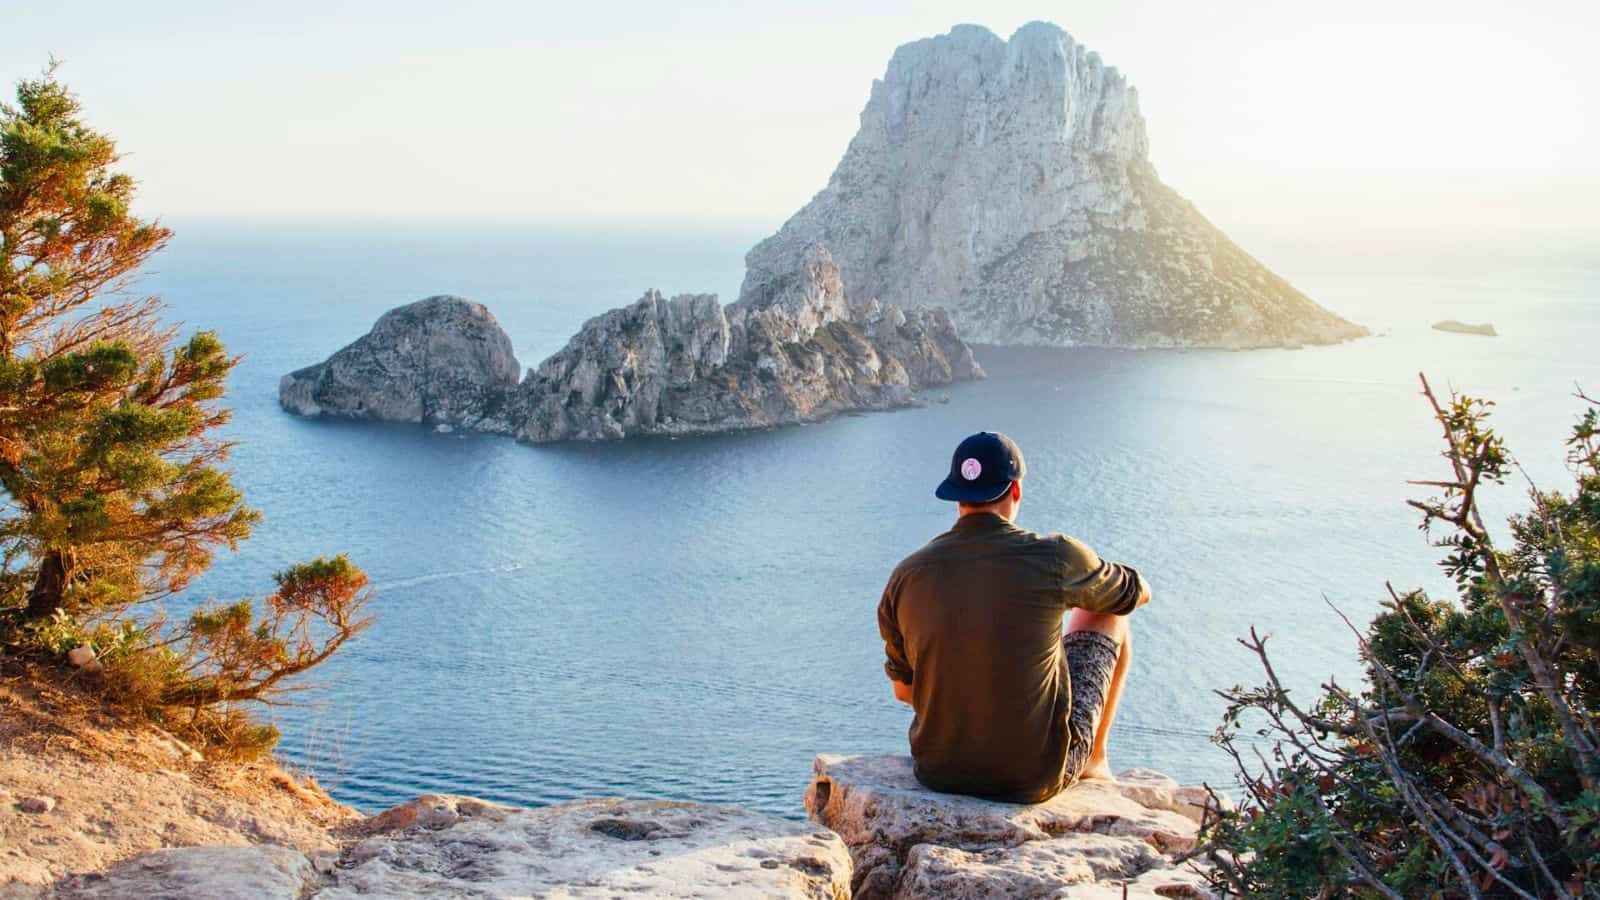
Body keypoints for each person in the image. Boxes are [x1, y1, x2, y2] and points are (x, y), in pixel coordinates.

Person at [877, 431, 1150, 803]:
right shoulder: (1055, 557)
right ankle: (1094, 760)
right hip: (1030, 778)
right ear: (1015, 491)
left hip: (938, 771)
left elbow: (904, 691)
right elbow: (1135, 594)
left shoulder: (907, 574)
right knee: (1111, 614)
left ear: (957, 496)